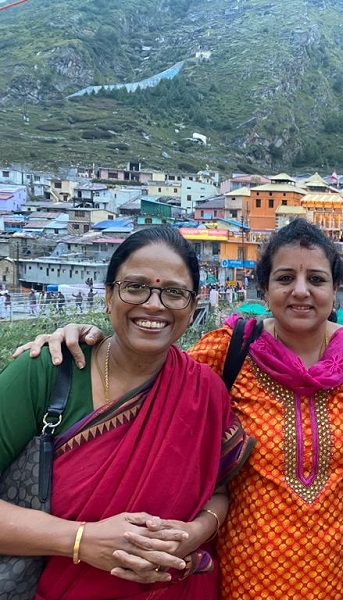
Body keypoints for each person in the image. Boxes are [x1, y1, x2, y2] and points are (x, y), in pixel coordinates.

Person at [18, 219, 343, 600]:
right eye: (284, 278)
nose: (301, 291)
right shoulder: (230, 350)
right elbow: (153, 374)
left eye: (316, 279)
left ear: (335, 290)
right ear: (264, 290)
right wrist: (86, 340)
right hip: (248, 573)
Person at [1, 227, 252, 599]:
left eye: (174, 292)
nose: (154, 305)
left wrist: (194, 532)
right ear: (108, 296)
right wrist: (81, 540)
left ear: (192, 307)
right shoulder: (47, 371)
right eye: (135, 287)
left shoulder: (205, 392)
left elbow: (218, 491)